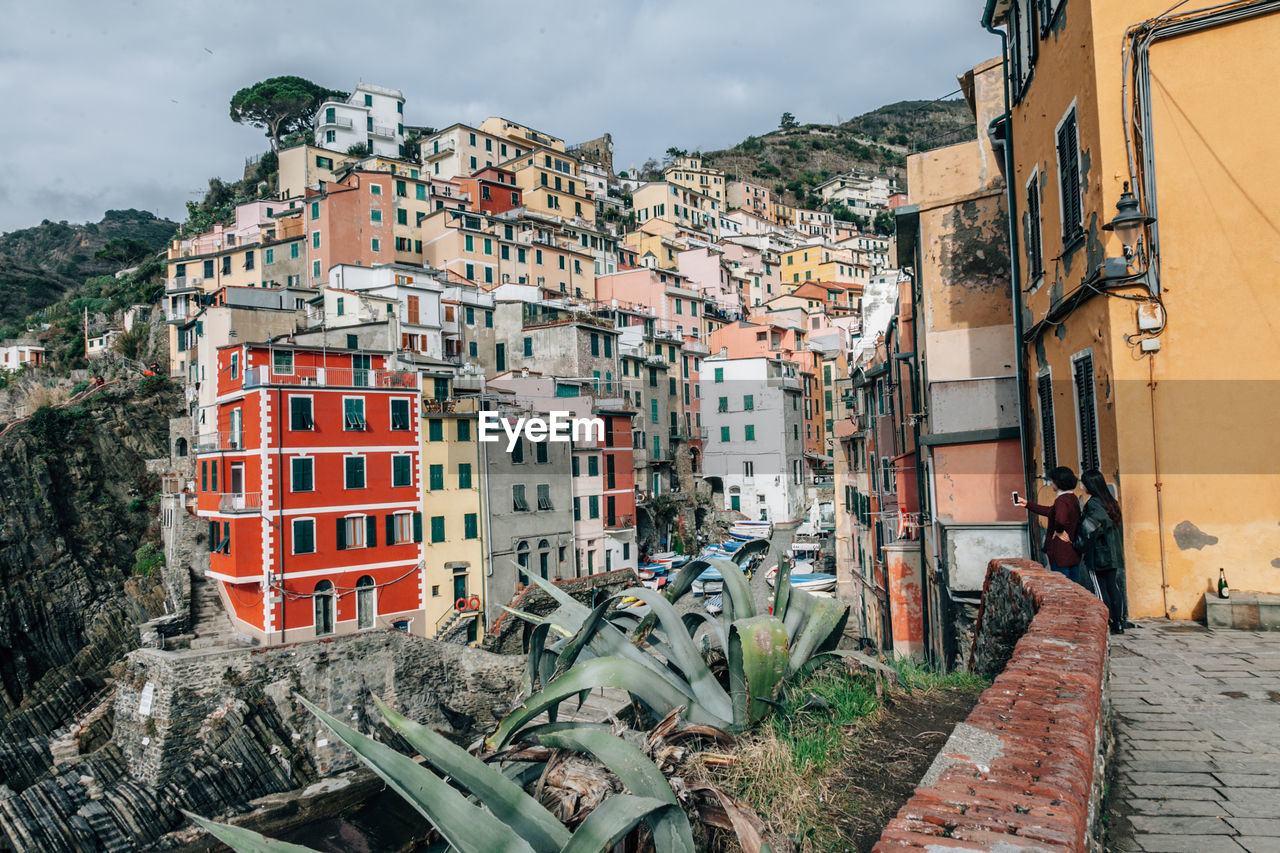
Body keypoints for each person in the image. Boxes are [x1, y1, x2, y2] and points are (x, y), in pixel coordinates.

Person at [1014, 466, 1084, 586]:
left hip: (1060, 552)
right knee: (1074, 587)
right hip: (1072, 552)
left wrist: (1059, 531)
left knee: (1062, 587)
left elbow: (1060, 520)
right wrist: (1027, 504)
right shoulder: (1072, 498)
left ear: (1058, 482)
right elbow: (1049, 511)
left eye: (1052, 480)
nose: (1051, 483)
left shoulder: (1061, 501)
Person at [1078, 469, 1126, 634]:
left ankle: (1105, 622)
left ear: (1090, 485)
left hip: (1099, 554)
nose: (1081, 485)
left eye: (1083, 482)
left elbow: (1100, 522)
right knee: (1113, 587)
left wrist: (1086, 535)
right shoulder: (1111, 501)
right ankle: (1118, 623)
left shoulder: (1093, 503)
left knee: (1100, 588)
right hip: (1113, 553)